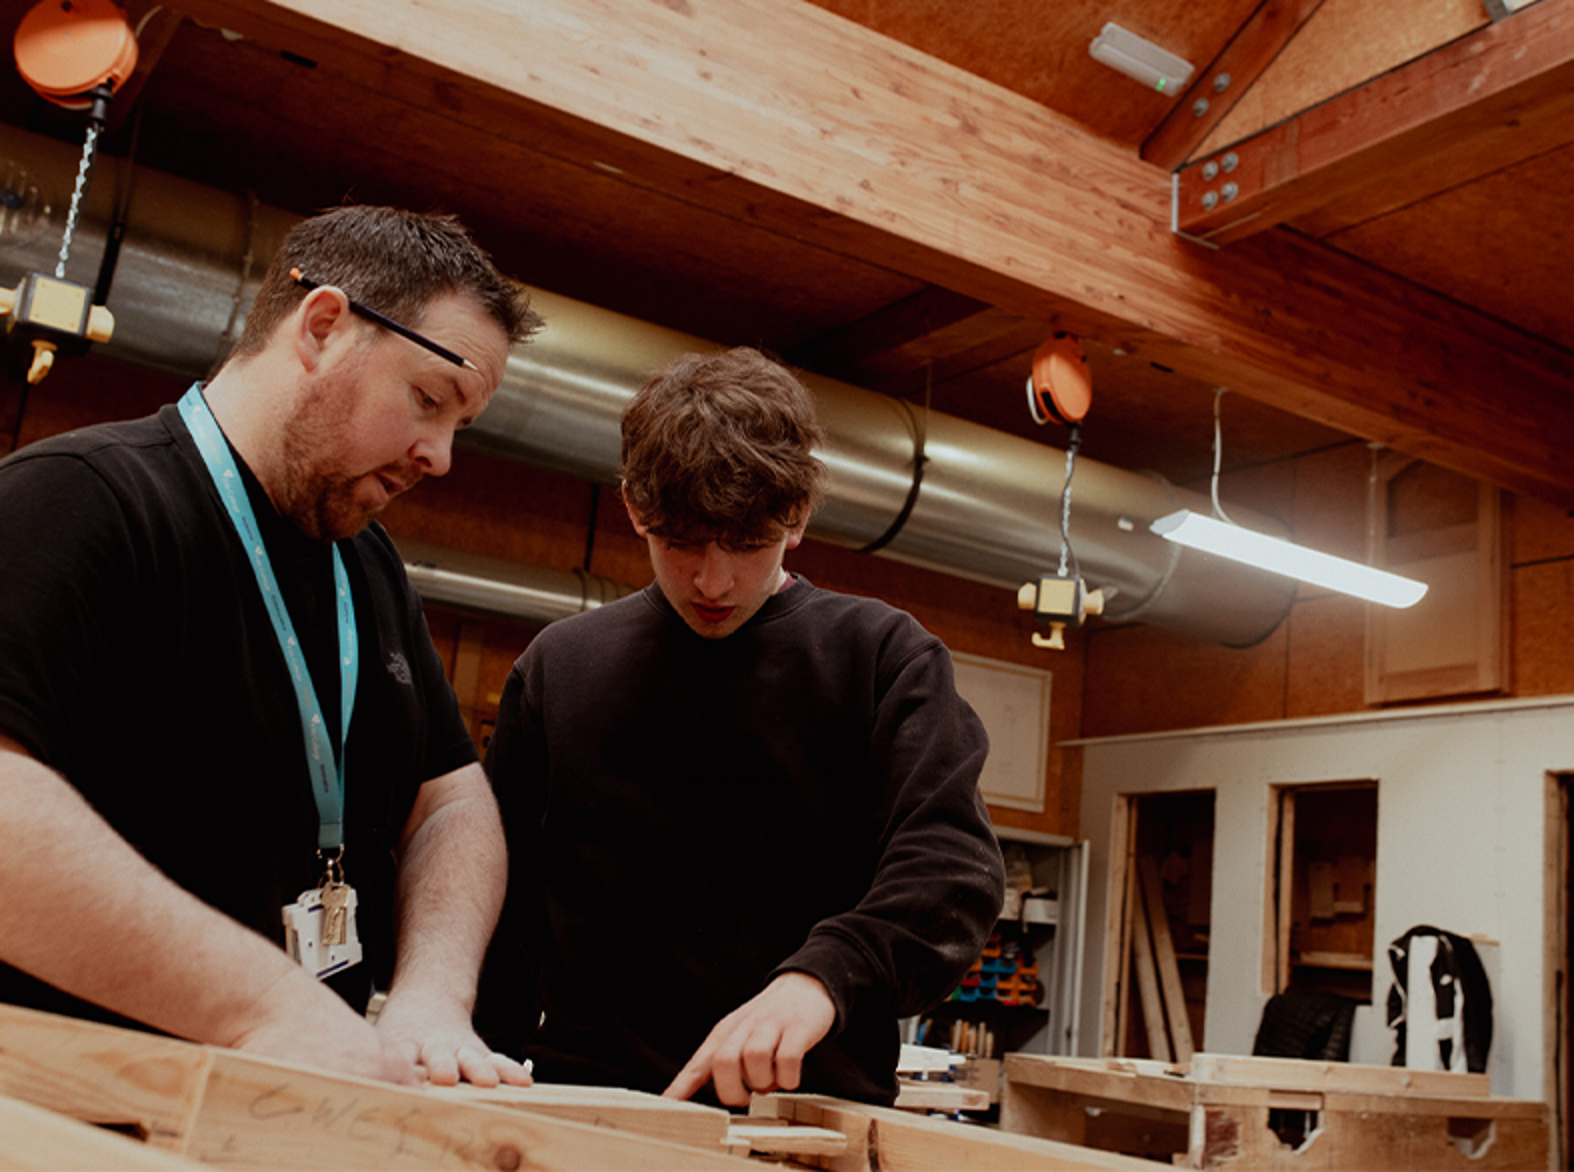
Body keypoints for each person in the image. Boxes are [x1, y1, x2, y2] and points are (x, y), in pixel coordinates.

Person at [0, 205, 542, 1088]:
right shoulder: (81, 502)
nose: (440, 456)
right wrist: (265, 1005)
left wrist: (432, 997)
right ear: (323, 327)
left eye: (460, 425)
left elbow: (451, 802)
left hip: (293, 1108)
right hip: (74, 1108)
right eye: (429, 399)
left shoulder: (369, 568)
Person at [478, 346, 1006, 1107]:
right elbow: (498, 906)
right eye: (679, 541)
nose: (713, 580)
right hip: (591, 1112)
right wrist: (476, 1067)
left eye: (748, 543)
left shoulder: (885, 659)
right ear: (633, 508)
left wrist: (824, 978)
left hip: (804, 1121)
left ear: (799, 515)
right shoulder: (558, 668)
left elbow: (949, 872)